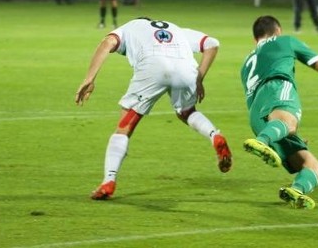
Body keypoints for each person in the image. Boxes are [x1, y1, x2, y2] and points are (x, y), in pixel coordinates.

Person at [75, 17, 232, 200]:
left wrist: (89, 78)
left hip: (153, 67)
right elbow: (212, 44)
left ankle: (108, 181)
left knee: (124, 128)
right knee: (187, 111)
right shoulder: (176, 29)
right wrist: (198, 78)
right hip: (185, 68)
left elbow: (107, 42)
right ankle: (215, 135)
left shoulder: (130, 27)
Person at [240, 15, 318, 209]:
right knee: (288, 123)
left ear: (256, 39)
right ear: (278, 30)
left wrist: (279, 131)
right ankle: (262, 141)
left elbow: (255, 103)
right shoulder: (286, 40)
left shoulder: (246, 63)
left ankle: (296, 190)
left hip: (257, 115)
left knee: (315, 168)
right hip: (277, 86)